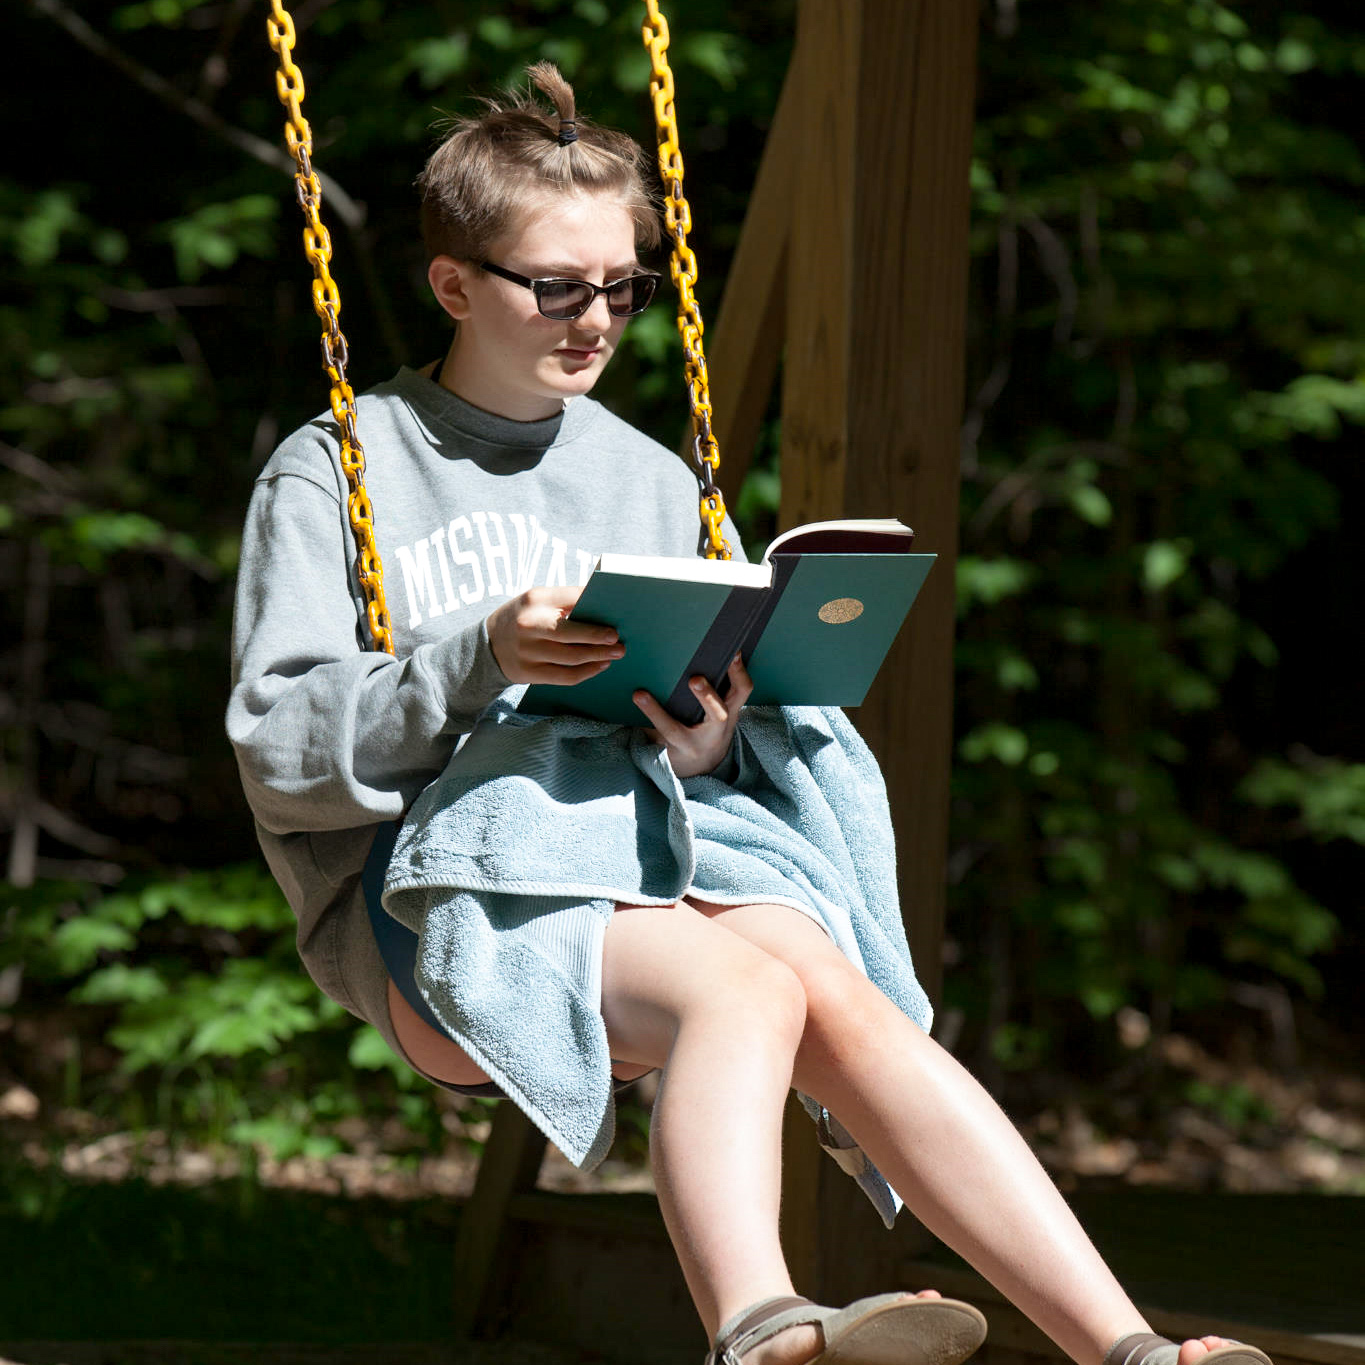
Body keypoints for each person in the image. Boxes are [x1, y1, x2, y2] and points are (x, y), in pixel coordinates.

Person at [228, 62, 1276, 1365]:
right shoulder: (342, 468)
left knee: (834, 989)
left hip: (641, 843)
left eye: (623, 288)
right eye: (556, 287)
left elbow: (705, 715)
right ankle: (759, 1329)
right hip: (441, 896)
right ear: (454, 284)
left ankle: (1127, 1349)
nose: (597, 320)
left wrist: (711, 734)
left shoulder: (651, 477)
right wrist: (477, 659)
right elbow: (276, 748)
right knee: (737, 987)